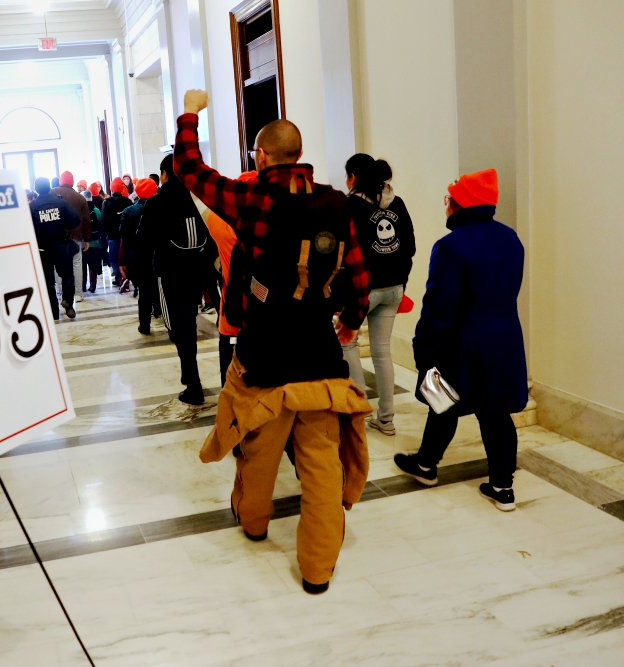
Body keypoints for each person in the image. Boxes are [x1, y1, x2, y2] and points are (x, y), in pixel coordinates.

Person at [177, 89, 372, 595]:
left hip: (264, 354)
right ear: (299, 154)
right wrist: (350, 321)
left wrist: (191, 114)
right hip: (319, 356)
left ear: (262, 157)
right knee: (321, 467)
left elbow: (191, 172)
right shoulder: (337, 204)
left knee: (260, 453)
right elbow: (358, 275)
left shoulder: (252, 199)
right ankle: (317, 571)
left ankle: (256, 524)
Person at [394, 169, 528, 512]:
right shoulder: (511, 238)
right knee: (496, 414)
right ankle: (502, 487)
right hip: (504, 340)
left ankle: (426, 465)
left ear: (459, 204)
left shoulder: (451, 246)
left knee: (443, 403)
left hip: (460, 344)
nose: (446, 206)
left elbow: (439, 305)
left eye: (448, 199)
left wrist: (423, 347)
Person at [341, 154, 416, 436]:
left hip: (363, 290)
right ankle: (386, 419)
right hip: (394, 288)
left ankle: (359, 413)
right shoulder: (397, 203)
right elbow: (409, 245)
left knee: (348, 345)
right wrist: (402, 282)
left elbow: (346, 251)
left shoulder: (350, 206)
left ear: (353, 178)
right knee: (382, 352)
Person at [142, 154, 211, 405]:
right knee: (189, 324)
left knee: (176, 328)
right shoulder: (197, 200)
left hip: (168, 273)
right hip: (195, 272)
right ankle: (191, 378)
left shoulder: (157, 203)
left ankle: (193, 384)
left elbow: (144, 241)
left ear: (163, 174)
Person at [193, 170, 257, 386]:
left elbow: (198, 199)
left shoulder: (222, 224)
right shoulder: (277, 224)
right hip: (269, 318)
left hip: (233, 316)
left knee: (231, 382)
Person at [29, 177, 79, 320]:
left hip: (43, 248)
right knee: (67, 274)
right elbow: (75, 219)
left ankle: (53, 313)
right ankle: (67, 300)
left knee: (48, 281)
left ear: (36, 189)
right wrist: (65, 226)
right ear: (50, 187)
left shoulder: (33, 207)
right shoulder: (60, 203)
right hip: (61, 244)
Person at [118, 177, 159, 333]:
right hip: (159, 254)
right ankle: (162, 314)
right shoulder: (163, 209)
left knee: (144, 291)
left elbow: (124, 238)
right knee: (161, 289)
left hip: (137, 256)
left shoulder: (129, 211)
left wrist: (122, 260)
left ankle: (145, 324)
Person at [51, 170, 92, 302]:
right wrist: (87, 239)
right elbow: (86, 220)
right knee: (77, 264)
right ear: (72, 182)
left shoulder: (52, 193)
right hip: (76, 236)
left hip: (57, 237)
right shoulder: (80, 198)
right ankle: (78, 294)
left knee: (58, 265)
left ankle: (62, 292)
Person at [102, 177, 130, 285]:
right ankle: (125, 276)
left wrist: (103, 235)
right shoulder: (127, 201)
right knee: (124, 256)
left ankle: (119, 276)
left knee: (113, 257)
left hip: (112, 234)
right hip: (125, 234)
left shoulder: (107, 202)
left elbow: (104, 220)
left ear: (111, 188)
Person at [83, 188, 104, 293]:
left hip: (83, 243)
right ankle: (92, 286)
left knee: (82, 266)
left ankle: (82, 286)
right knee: (93, 266)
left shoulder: (80, 210)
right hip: (95, 242)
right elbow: (100, 223)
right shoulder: (96, 211)